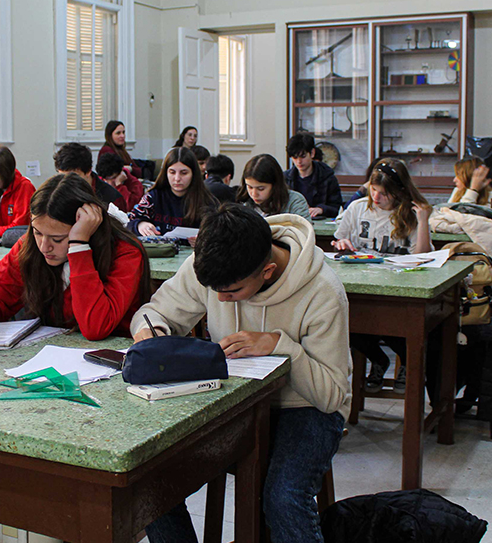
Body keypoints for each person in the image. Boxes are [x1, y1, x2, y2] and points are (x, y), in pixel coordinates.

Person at [132, 204, 350, 543]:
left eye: (232, 293)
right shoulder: (214, 264)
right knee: (150, 484)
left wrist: (281, 346)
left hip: (304, 407)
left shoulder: (323, 291)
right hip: (234, 401)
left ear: (267, 271)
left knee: (284, 499)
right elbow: (155, 312)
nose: (220, 299)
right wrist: (152, 333)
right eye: (214, 291)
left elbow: (332, 396)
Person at [0, 174, 151, 340]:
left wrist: (78, 247)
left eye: (58, 239)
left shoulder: (125, 252)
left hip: (113, 361)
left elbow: (96, 327)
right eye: (38, 233)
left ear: (87, 228)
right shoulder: (30, 245)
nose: (44, 247)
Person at [333, 159, 433, 394]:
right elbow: (339, 239)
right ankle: (378, 360)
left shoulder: (408, 213)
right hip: (362, 281)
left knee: (396, 324)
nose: (376, 198)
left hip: (398, 284)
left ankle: (407, 362)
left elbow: (422, 256)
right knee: (346, 318)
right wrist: (342, 244)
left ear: (398, 193)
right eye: (373, 190)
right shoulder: (358, 207)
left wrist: (424, 220)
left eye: (384, 194)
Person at [128, 146, 218, 236]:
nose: (177, 178)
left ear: (193, 174)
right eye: (172, 172)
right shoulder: (153, 197)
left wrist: (203, 239)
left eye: (184, 173)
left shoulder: (207, 201)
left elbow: (218, 232)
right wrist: (139, 225)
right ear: (165, 173)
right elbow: (129, 222)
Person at [284, 133, 343, 218]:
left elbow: (337, 207)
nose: (299, 161)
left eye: (303, 156)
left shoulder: (327, 177)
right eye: (295, 157)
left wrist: (321, 209)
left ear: (312, 153)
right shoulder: (286, 179)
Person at [237, 154, 311, 220]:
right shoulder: (244, 204)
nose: (254, 194)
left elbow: (305, 232)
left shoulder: (295, 202)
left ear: (275, 185)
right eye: (250, 187)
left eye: (261, 189)